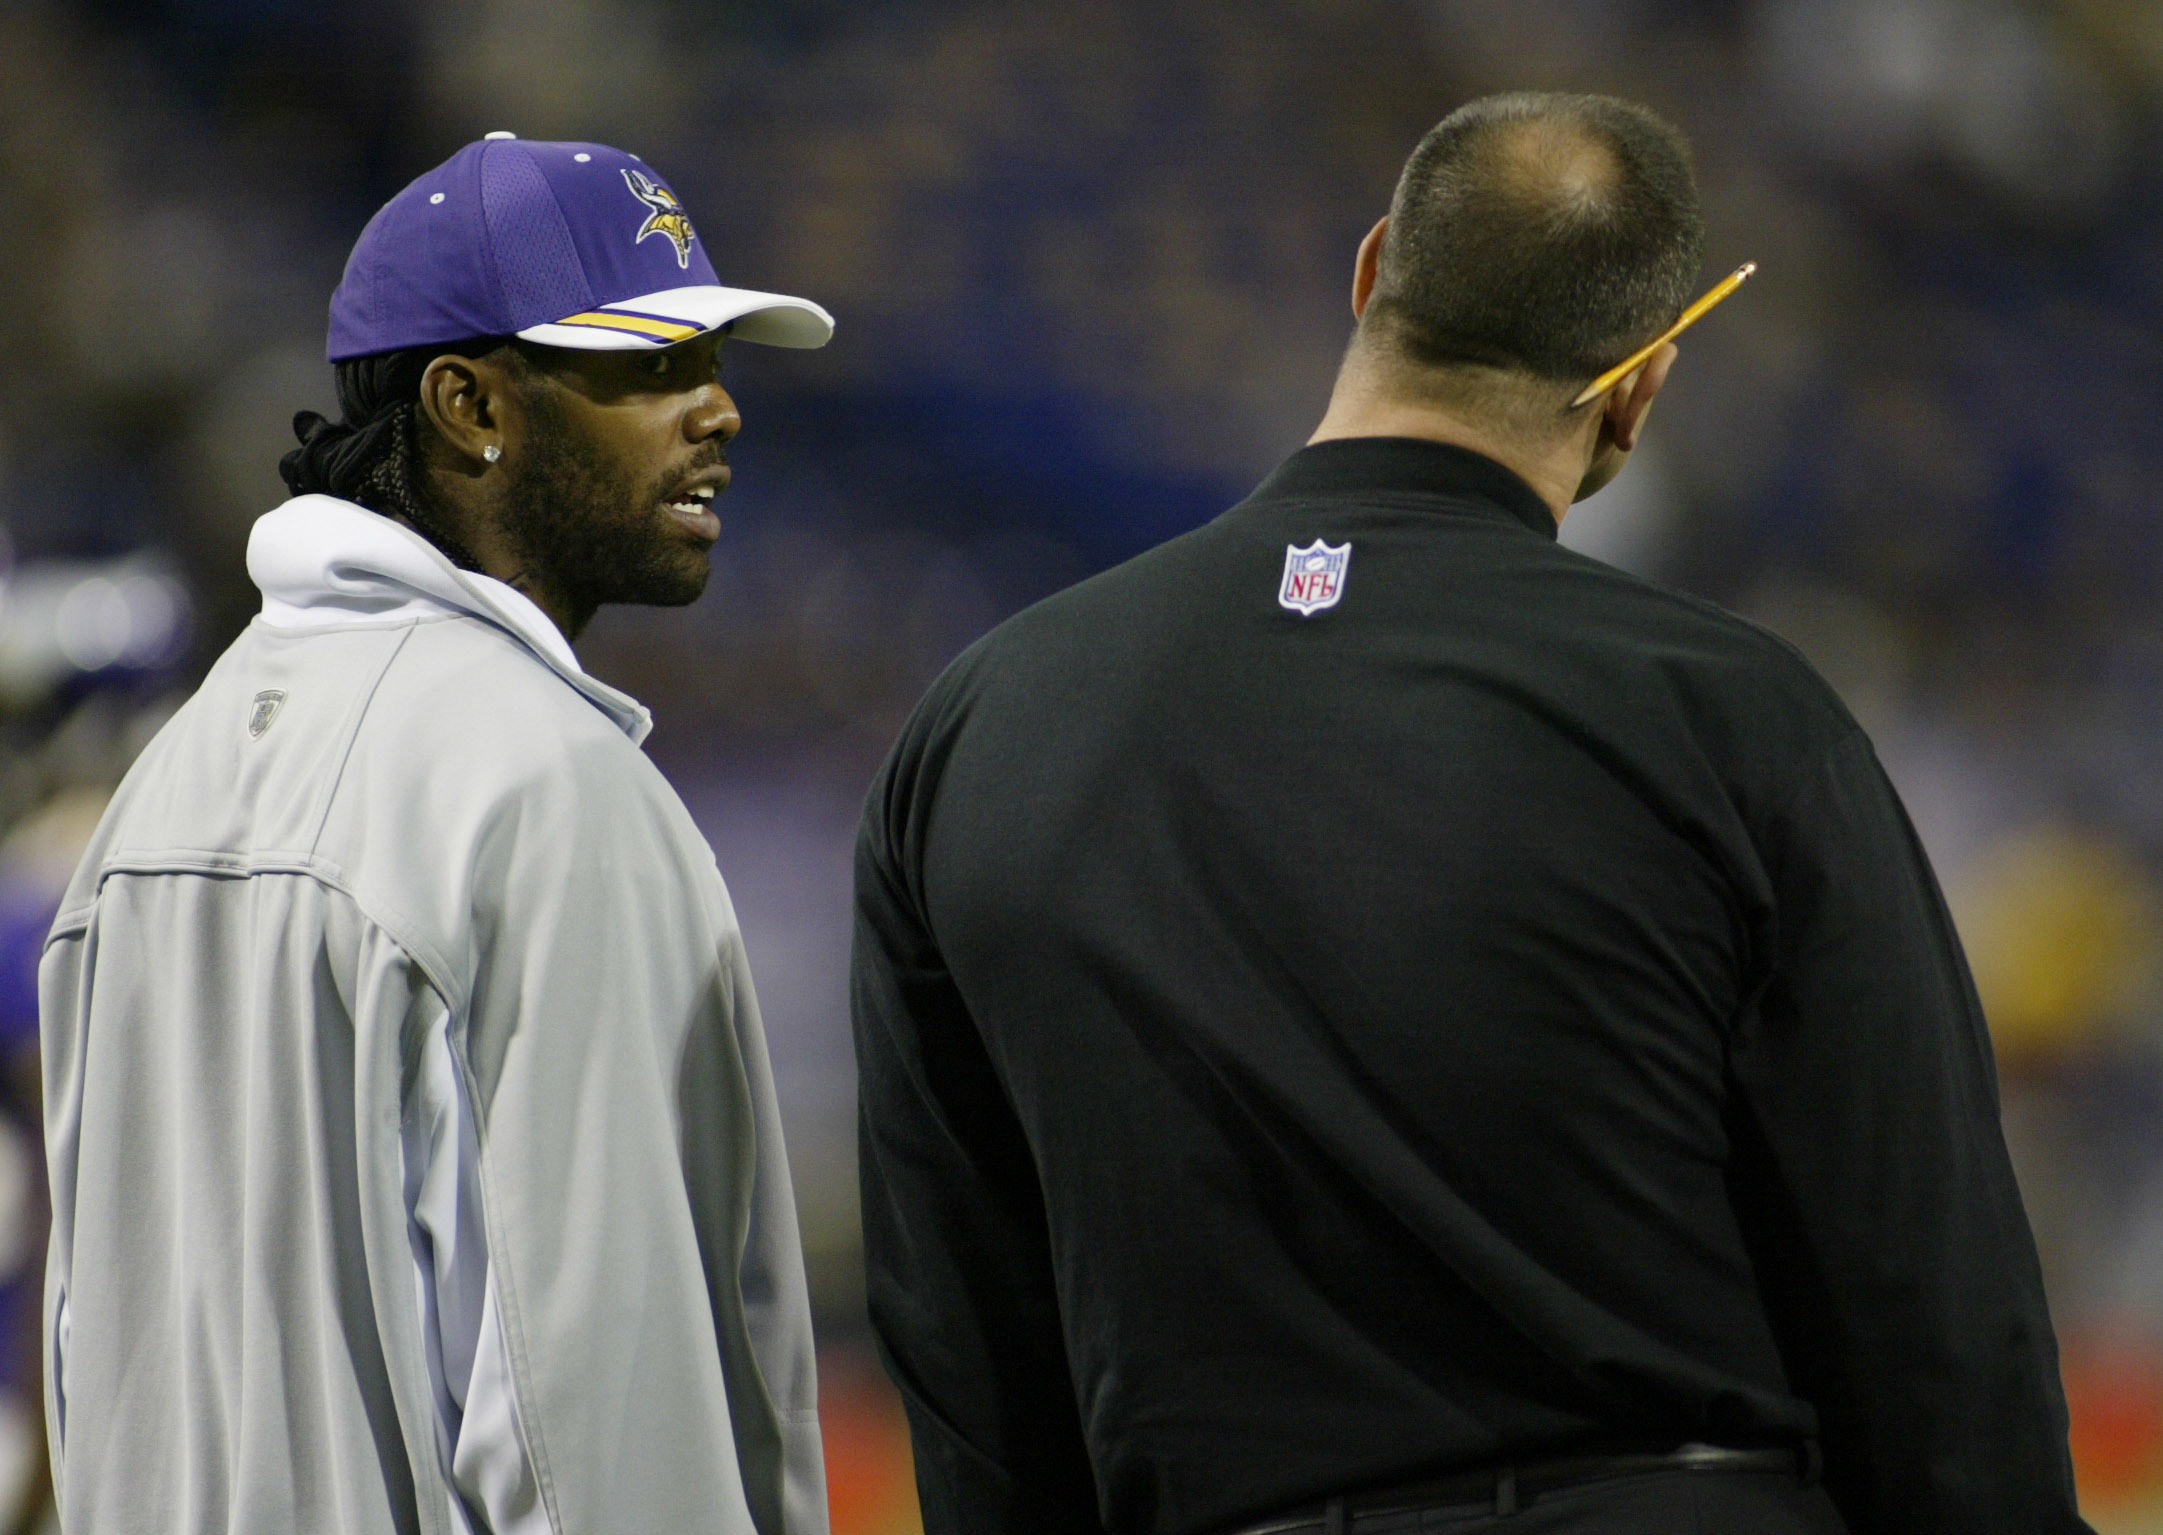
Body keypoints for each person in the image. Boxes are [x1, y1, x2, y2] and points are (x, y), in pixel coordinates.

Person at [850, 92, 2090, 1535]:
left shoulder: (981, 724)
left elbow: (961, 1343)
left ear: (1374, 271)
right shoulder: (1730, 714)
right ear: (1638, 388)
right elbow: (1924, 1295)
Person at [40, 133, 835, 1535]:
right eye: (649, 366)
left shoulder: (163, 788)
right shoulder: (547, 787)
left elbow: (83, 1368)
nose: (718, 410)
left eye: (714, 365)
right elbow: (597, 1421)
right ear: (470, 403)